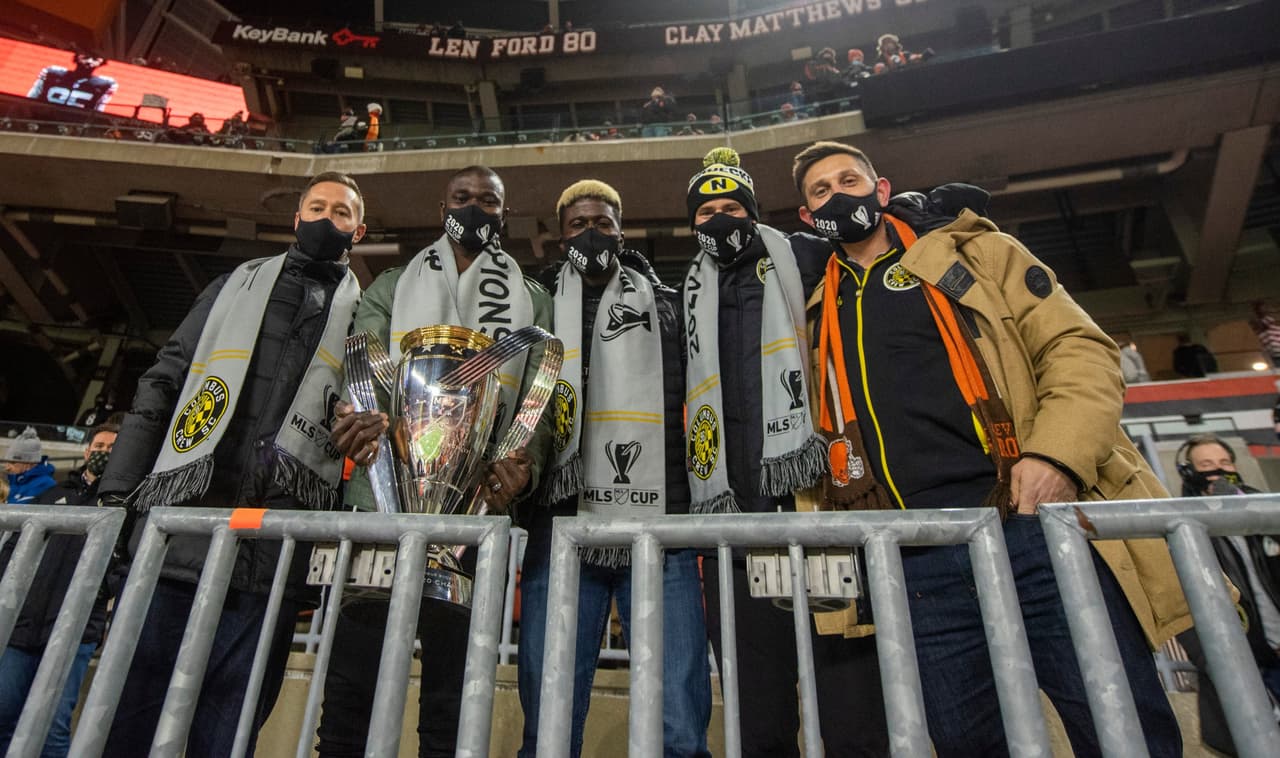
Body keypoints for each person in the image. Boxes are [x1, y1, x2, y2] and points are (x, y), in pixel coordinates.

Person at [793, 139, 1187, 756]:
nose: (839, 195)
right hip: (916, 560)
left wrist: (1055, 456)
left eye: (850, 180)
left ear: (883, 190)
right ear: (808, 218)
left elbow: (1080, 350)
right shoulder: (817, 309)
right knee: (966, 743)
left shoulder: (979, 254)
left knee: (1121, 729)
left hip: (1031, 529)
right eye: (822, 191)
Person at [95, 171, 366, 757]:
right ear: (295, 220)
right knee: (133, 716)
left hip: (271, 559)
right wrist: (118, 496)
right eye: (315, 207)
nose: (326, 219)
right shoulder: (234, 286)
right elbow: (163, 381)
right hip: (179, 539)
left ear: (359, 231)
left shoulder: (364, 320)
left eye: (340, 212)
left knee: (230, 730)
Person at [317, 165, 552, 757]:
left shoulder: (533, 300)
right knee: (350, 692)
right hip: (381, 499)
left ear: (505, 213)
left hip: (475, 511)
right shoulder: (394, 285)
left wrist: (525, 463)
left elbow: (539, 406)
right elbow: (363, 359)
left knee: (452, 701)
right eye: (462, 198)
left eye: (489, 201)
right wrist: (358, 410)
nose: (475, 208)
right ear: (441, 206)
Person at [683, 147, 889, 757]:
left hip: (819, 512)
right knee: (759, 720)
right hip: (736, 536)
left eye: (732, 206)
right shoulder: (685, 293)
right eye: (707, 211)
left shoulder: (806, 255)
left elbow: (873, 247)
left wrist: (920, 218)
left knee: (852, 712)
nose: (720, 218)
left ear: (754, 210)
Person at [517, 180, 711, 757]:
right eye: (578, 225)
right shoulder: (537, 308)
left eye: (602, 223)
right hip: (561, 526)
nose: (591, 234)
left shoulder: (669, 305)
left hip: (659, 525)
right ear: (558, 237)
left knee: (678, 722)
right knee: (549, 721)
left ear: (620, 231)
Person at [0, 423, 118, 757]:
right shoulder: (52, 495)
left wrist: (98, 593)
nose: (103, 453)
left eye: (111, 448)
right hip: (24, 629)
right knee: (3, 714)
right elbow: (15, 548)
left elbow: (125, 564)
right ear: (85, 451)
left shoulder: (122, 503)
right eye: (98, 446)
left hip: (74, 633)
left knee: (53, 728)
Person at [1175, 434, 1280, 755]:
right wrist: (1224, 666)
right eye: (1206, 465)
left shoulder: (1265, 515)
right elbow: (1184, 616)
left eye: (1224, 464)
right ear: (1190, 473)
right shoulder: (1182, 533)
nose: (1218, 472)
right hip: (1244, 672)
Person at [27, 51, 117, 111]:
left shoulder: (104, 84)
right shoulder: (52, 72)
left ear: (101, 62)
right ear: (77, 56)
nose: (89, 61)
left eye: (94, 59)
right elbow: (31, 98)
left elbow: (97, 111)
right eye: (86, 57)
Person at [4, 427, 58, 504]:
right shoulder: (10, 479)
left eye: (13, 463)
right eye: (6, 462)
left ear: (30, 463)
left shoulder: (46, 484)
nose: (7, 467)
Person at [1249, 300, 1280, 369]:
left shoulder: (1271, 320)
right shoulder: (1258, 322)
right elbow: (1259, 325)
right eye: (1261, 308)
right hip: (1274, 353)